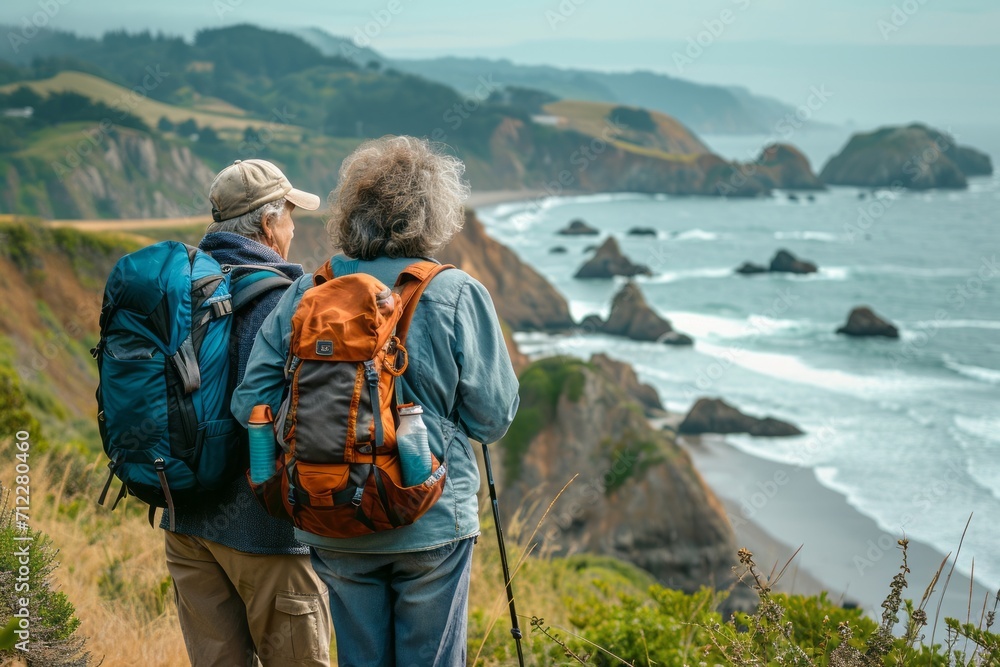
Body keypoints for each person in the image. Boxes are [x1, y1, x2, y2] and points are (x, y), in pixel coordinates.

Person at [232, 136, 519, 667]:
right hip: (430, 515)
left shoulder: (305, 293)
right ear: (432, 215)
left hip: (331, 509)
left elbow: (250, 403)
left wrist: (327, 434)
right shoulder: (456, 293)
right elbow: (492, 418)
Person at [163, 159, 332, 667]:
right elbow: (301, 418)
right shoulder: (283, 302)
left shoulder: (181, 288)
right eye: (289, 216)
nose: (295, 227)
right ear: (266, 223)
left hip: (186, 524)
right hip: (267, 538)